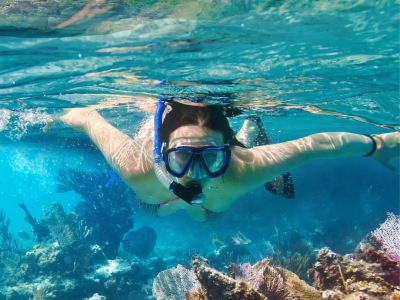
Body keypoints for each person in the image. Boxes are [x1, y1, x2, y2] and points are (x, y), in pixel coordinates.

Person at [45, 98, 400, 222]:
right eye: (182, 156)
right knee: (153, 207)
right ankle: (247, 131)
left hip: (215, 202)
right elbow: (89, 116)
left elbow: (316, 144)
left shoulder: (242, 168)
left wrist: (381, 145)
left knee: (207, 219)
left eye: (212, 157)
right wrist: (56, 118)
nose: (194, 174)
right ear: (161, 152)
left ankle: (246, 132)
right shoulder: (135, 166)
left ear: (226, 152)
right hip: (155, 199)